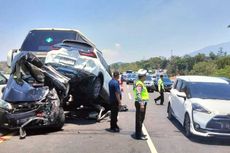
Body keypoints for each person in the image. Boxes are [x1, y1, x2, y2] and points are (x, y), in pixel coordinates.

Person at [133, 69, 149, 140]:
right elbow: (138, 94)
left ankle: (139, 133)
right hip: (140, 103)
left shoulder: (140, 82)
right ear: (142, 76)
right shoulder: (139, 83)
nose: (146, 77)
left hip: (140, 103)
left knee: (141, 119)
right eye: (145, 75)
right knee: (139, 120)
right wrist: (142, 104)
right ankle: (138, 135)